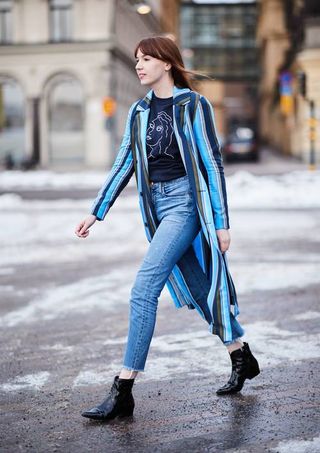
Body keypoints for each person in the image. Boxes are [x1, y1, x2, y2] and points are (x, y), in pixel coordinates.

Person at [75, 36, 260, 421]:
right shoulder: (138, 111)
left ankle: (123, 387)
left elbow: (212, 165)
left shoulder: (194, 105)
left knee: (143, 289)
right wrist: (97, 211)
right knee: (197, 286)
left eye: (146, 59)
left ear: (167, 63)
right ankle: (240, 355)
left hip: (186, 204)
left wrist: (222, 224)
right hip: (157, 208)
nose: (139, 65)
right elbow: (124, 162)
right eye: (137, 58)